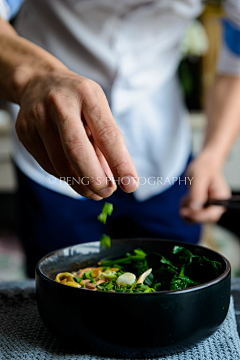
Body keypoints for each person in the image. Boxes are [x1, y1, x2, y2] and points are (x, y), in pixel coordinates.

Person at [0, 0, 238, 277]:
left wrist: (213, 156)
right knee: (61, 282)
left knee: (176, 275)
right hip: (53, 144)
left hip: (162, 144)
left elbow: (237, 59)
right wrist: (34, 77)